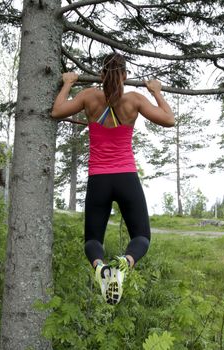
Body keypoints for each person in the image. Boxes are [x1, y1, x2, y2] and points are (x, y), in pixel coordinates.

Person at [51, 53, 174, 304]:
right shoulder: (135, 100)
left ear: (100, 75)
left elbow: (56, 111)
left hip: (99, 180)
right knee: (141, 237)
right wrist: (156, 91)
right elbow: (169, 119)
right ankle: (124, 265)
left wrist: (68, 82)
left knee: (93, 240)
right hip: (126, 178)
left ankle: (101, 268)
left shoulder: (89, 97)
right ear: (125, 76)